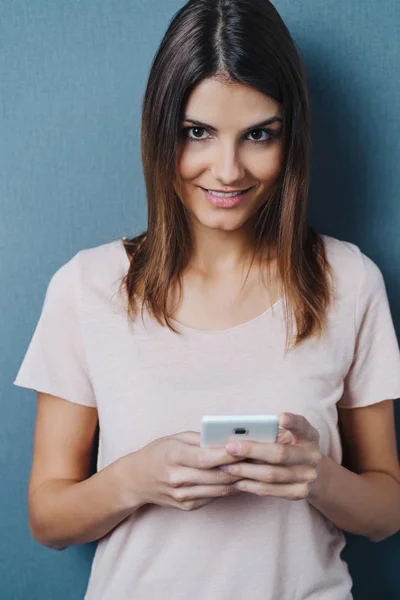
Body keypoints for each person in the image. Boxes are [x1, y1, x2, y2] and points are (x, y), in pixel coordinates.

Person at [13, 1, 400, 599]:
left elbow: (386, 510)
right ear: (161, 128)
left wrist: (317, 477)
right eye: (198, 133)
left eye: (258, 135)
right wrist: (134, 480)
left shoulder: (350, 280)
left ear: (289, 137)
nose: (227, 170)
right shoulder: (87, 286)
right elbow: (48, 520)